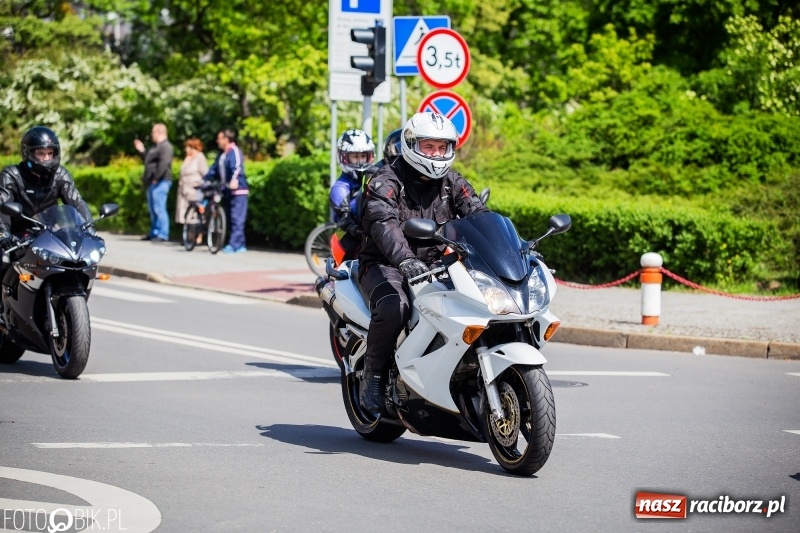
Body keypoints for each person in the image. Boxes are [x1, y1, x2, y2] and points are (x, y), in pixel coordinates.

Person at [357, 112, 489, 413]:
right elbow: (383, 224)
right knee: (395, 307)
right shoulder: (385, 182)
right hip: (384, 265)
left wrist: (512, 250)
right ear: (411, 145)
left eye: (442, 148)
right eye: (429, 147)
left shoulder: (452, 182)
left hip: (435, 264)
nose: (437, 154)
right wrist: (405, 260)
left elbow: (479, 214)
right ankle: (373, 376)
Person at [0, 126, 94, 269]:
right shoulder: (12, 175)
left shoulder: (60, 175)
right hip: (16, 236)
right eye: (41, 153)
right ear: (27, 153)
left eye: (50, 153)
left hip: (49, 236)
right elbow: (2, 207)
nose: (47, 158)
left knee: (77, 264)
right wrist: (4, 235)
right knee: (3, 261)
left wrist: (89, 229)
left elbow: (77, 202)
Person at [329, 129, 375, 261]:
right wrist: (361, 232)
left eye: (363, 156)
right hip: (348, 237)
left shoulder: (374, 177)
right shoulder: (340, 188)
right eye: (355, 157)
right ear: (344, 157)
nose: (360, 162)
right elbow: (346, 219)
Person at [203, 129, 249, 254]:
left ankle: (234, 244)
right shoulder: (222, 154)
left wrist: (235, 181)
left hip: (238, 190)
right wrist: (204, 180)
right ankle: (240, 244)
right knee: (230, 217)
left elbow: (237, 167)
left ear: (226, 139)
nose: (217, 141)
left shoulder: (235, 151)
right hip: (227, 190)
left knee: (236, 218)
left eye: (219, 138)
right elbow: (214, 169)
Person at [134, 123, 174, 243]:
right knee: (152, 208)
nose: (152, 135)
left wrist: (157, 177)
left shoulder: (166, 147)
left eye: (153, 132)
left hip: (161, 181)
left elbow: (164, 164)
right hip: (153, 181)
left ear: (159, 132)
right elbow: (149, 160)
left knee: (159, 208)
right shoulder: (156, 147)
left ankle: (163, 234)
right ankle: (154, 232)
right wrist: (142, 150)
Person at [175, 138, 209, 243]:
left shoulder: (200, 157)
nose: (186, 149)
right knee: (186, 214)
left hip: (195, 189)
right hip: (184, 190)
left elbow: (205, 173)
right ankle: (188, 236)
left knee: (195, 214)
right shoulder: (187, 158)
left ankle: (197, 236)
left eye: (188, 147)